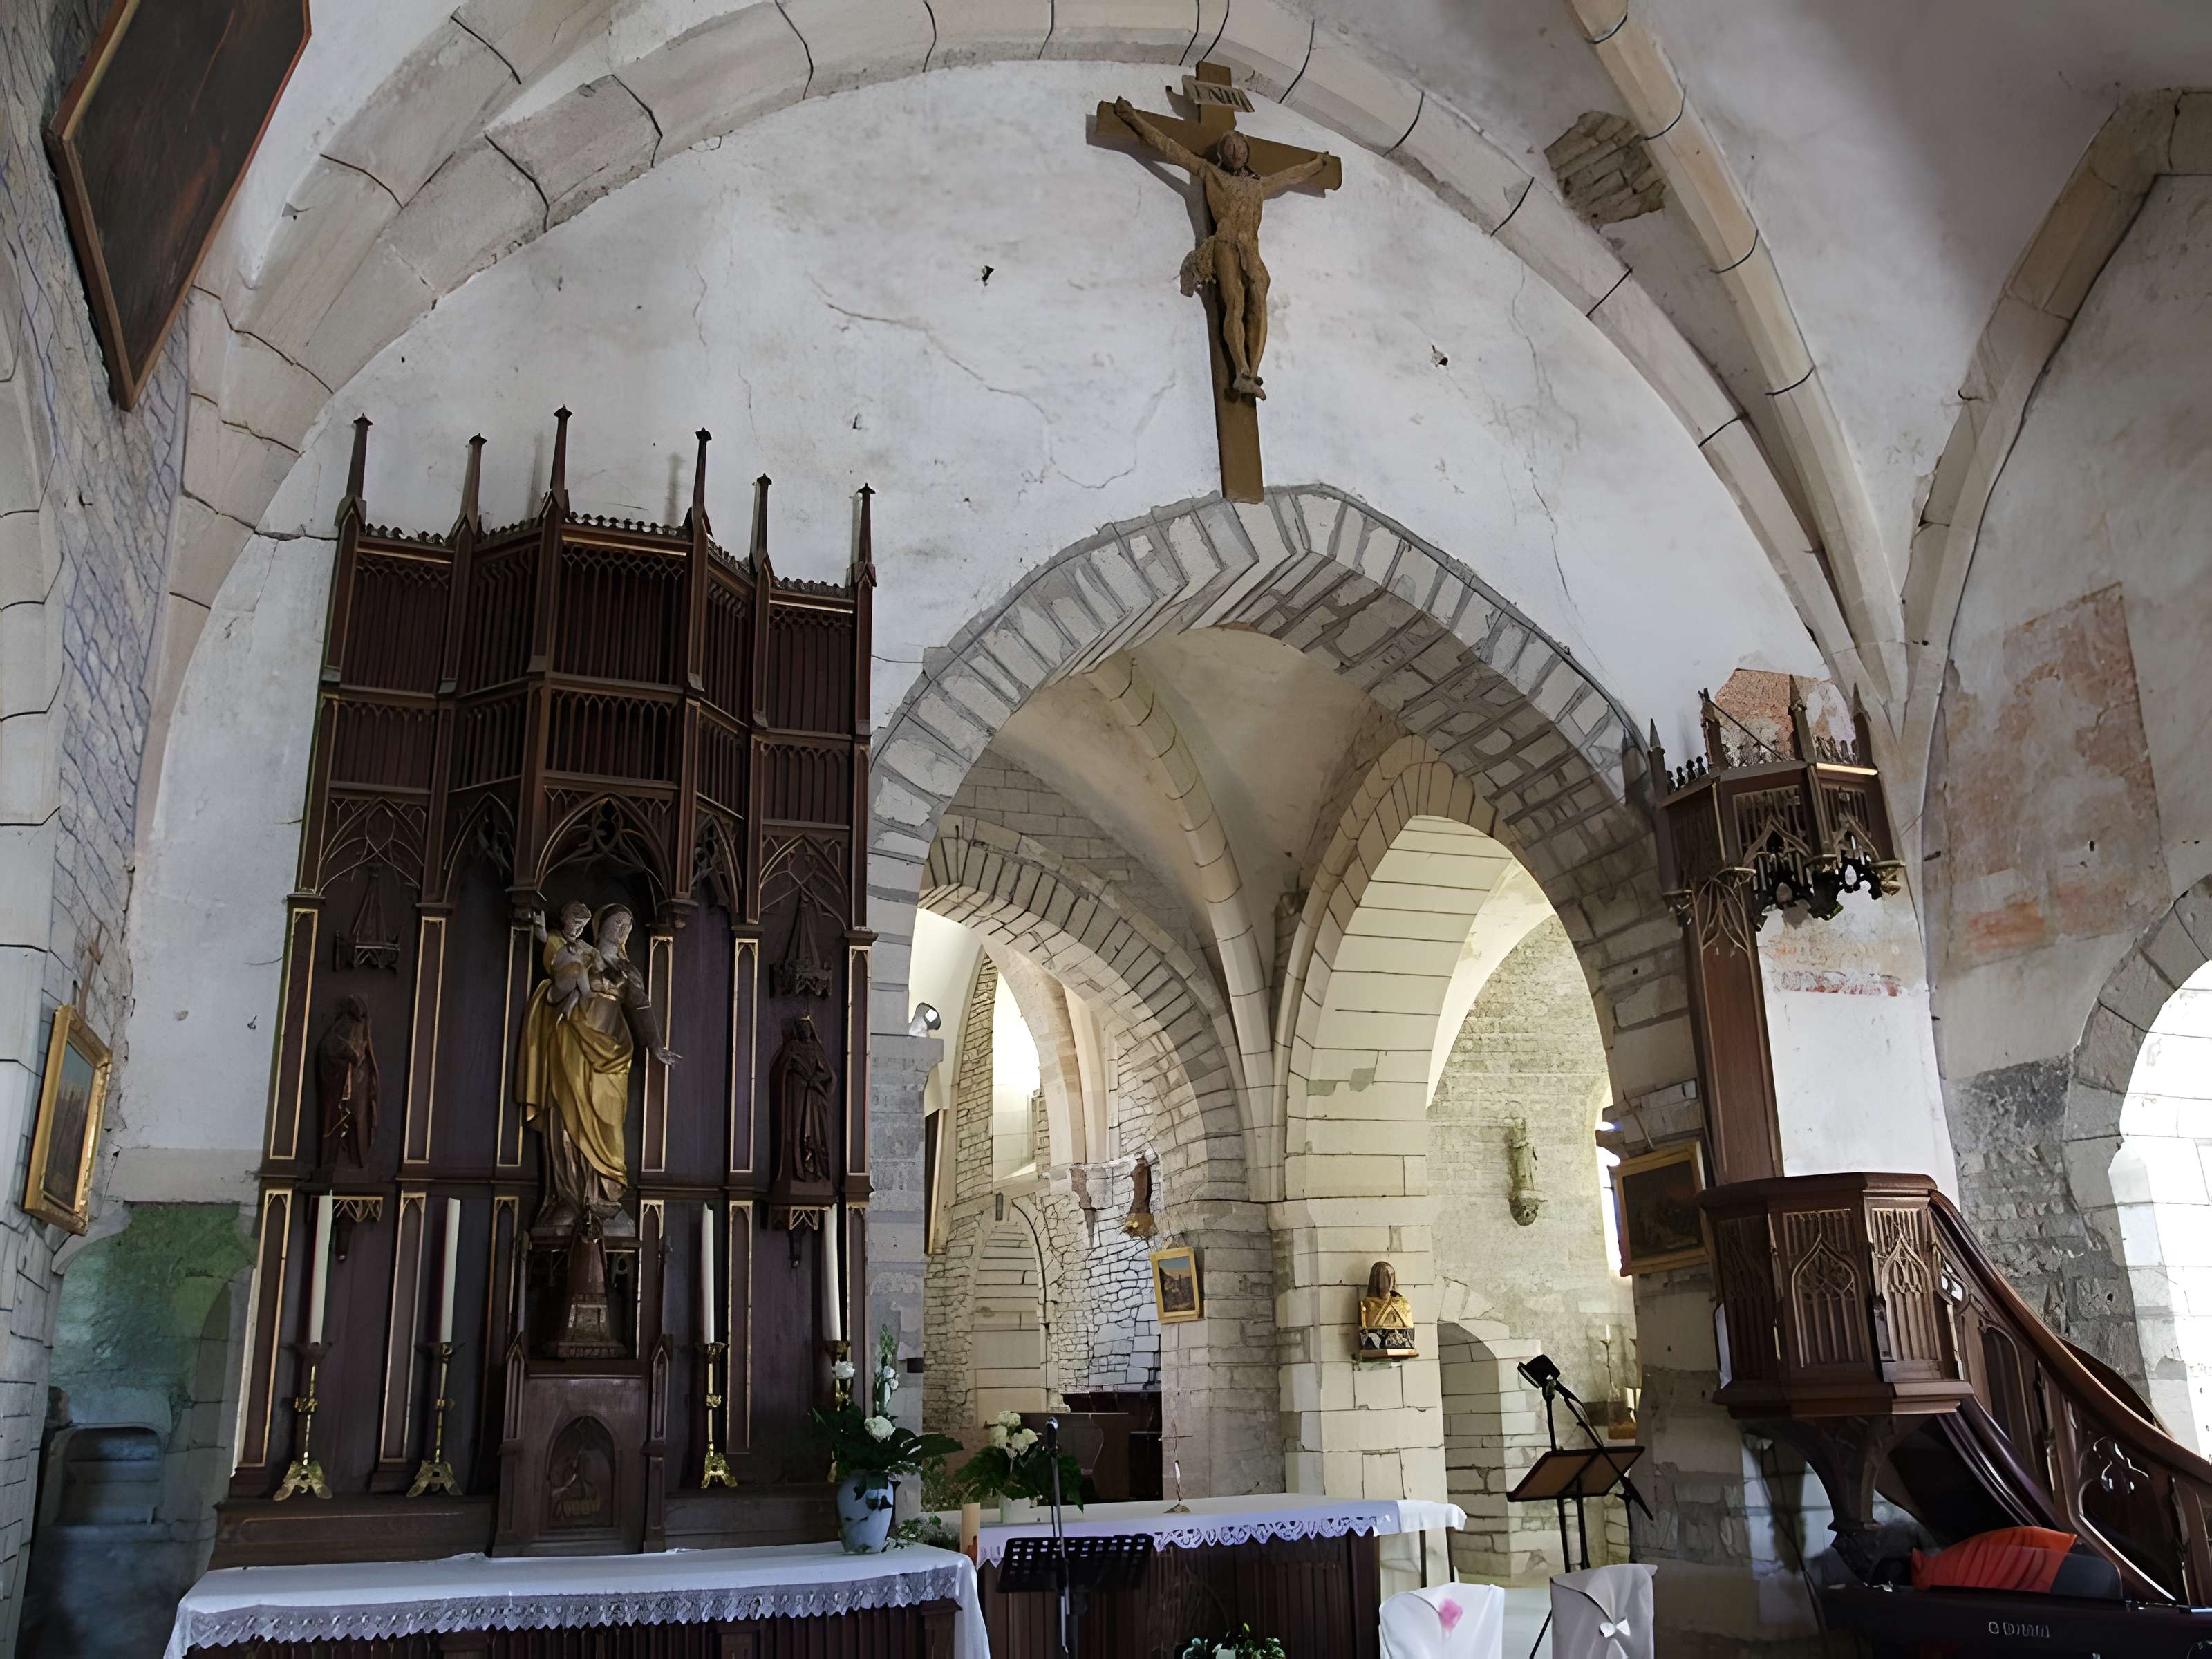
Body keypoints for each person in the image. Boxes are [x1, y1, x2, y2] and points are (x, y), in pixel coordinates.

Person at [1114, 97, 1335, 401]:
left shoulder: (1259, 186)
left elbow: (1292, 175)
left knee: (1259, 302)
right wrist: (1135, 120)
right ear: (1222, 153)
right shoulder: (1210, 173)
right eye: (1229, 146)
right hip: (1226, 244)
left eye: (1240, 146)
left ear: (1247, 152)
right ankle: (1241, 371)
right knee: (1235, 302)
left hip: (1251, 251)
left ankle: (1253, 371)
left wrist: (1317, 164)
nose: (1235, 150)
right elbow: (1170, 148)